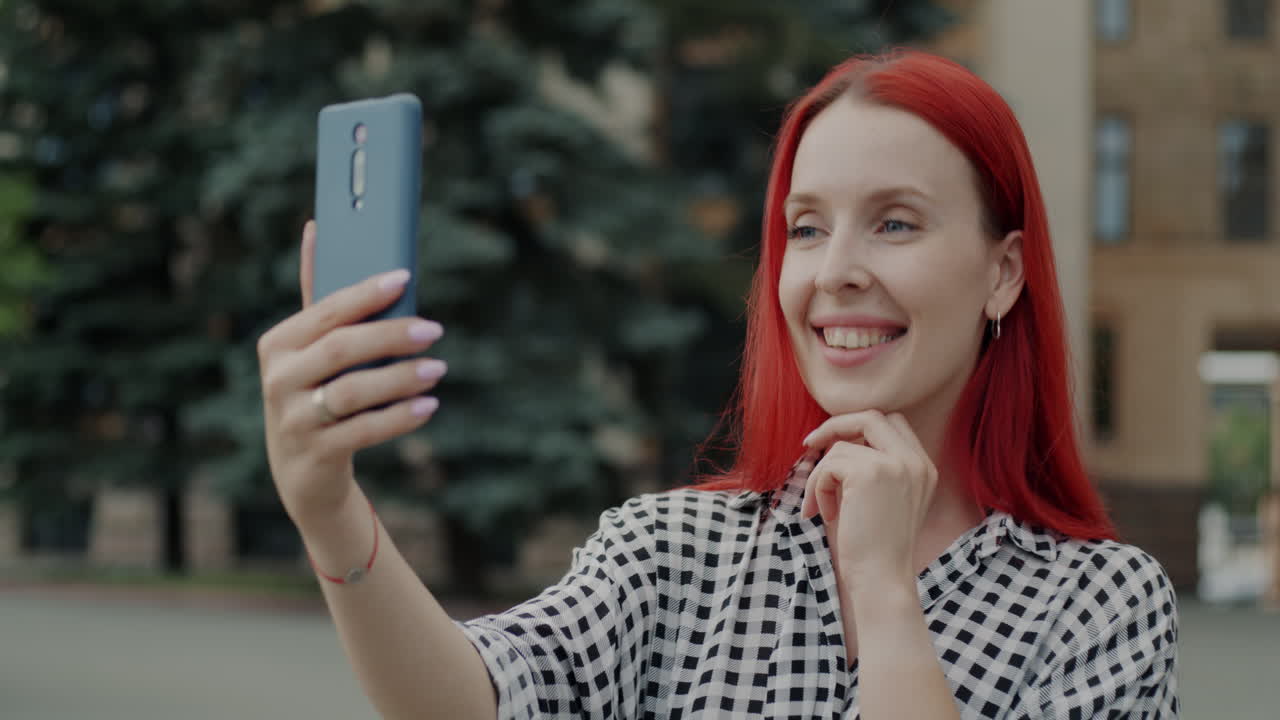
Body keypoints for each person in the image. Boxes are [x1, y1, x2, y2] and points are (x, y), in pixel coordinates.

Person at [258, 49, 1179, 719]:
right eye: (807, 229)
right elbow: (475, 703)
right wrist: (328, 507)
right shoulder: (671, 553)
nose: (836, 272)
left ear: (1004, 273)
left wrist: (885, 593)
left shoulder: (1102, 609)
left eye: (895, 224)